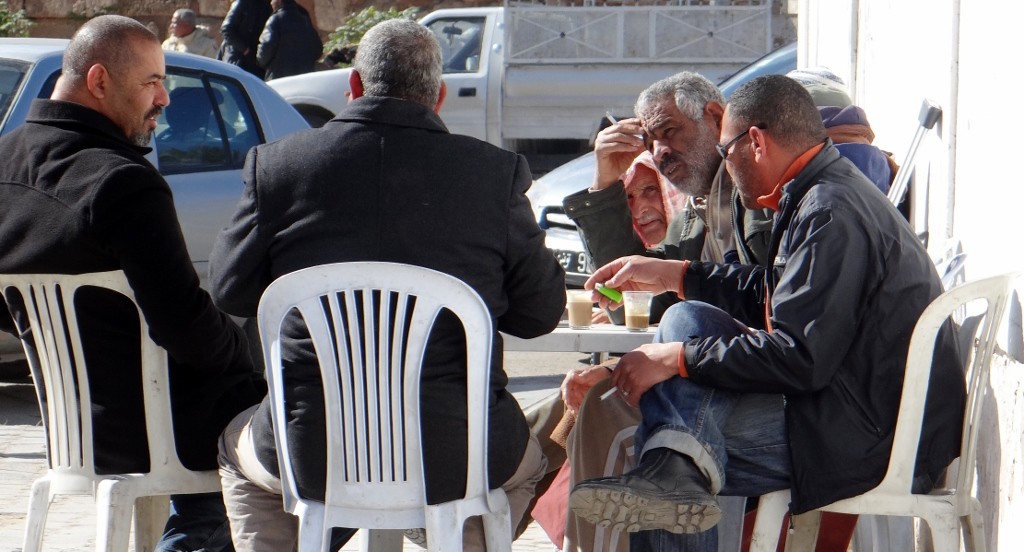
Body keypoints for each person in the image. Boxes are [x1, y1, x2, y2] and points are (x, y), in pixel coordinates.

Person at [209, 18, 566, 551]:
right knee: (531, 463)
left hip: (313, 452)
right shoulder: (493, 176)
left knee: (235, 447)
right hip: (456, 456)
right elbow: (538, 316)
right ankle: (455, 537)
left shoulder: (278, 167)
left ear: (353, 86)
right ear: (439, 97)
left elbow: (230, 291)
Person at [568, 74, 966, 551]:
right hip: (855, 408)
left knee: (665, 444)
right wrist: (676, 274)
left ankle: (673, 472)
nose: (724, 161)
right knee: (687, 322)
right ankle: (673, 473)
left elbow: (799, 358)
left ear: (754, 141)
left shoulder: (830, 209)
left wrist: (678, 359)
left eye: (727, 149)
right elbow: (778, 291)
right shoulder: (823, 190)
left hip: (877, 438)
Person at [0, 15, 265, 552]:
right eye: (152, 82)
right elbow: (187, 330)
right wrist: (247, 347)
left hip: (70, 427)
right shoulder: (121, 183)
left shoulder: (4, 164)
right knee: (303, 432)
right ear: (99, 81)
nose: (165, 99)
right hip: (151, 430)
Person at [551, 72, 775, 552]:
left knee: (607, 411)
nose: (659, 151)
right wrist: (606, 180)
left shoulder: (758, 195)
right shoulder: (701, 207)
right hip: (713, 378)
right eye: (650, 140)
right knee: (568, 402)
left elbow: (760, 312)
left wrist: (626, 366)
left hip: (755, 390)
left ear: (716, 117)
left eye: (669, 132)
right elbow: (633, 290)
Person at [256, 0, 323, 81]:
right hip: (304, 79)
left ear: (279, 1)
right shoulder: (304, 20)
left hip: (279, 79)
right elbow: (318, 50)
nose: (271, 2)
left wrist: (261, 64)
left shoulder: (275, 20)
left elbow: (264, 51)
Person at [219, 0, 272, 78]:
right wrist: (245, 49)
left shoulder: (267, 6)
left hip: (256, 64)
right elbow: (226, 29)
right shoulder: (242, 3)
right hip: (238, 62)